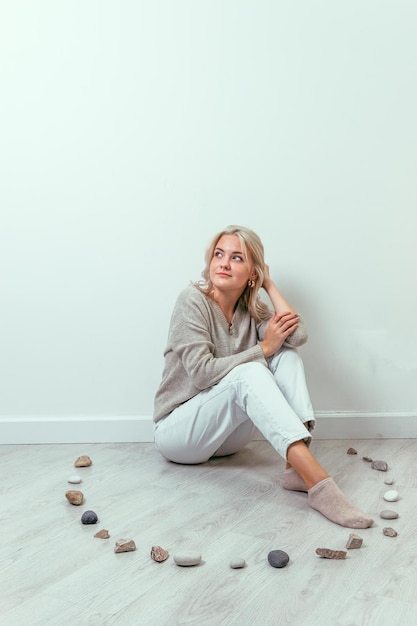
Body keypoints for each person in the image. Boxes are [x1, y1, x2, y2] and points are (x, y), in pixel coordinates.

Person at [153, 225, 374, 529]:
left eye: (236, 258)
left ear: (252, 272)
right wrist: (262, 348)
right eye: (218, 254)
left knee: (286, 354)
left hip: (229, 440)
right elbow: (202, 374)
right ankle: (319, 484)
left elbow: (299, 336)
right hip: (180, 434)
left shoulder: (251, 309)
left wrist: (269, 285)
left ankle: (293, 467)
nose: (223, 263)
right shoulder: (192, 300)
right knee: (254, 366)